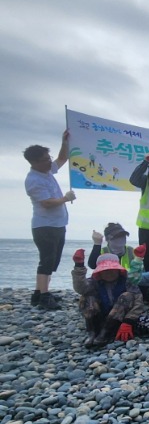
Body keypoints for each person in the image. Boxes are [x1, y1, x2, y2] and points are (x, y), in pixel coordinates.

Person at [24, 131, 75, 310]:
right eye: (45, 159)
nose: (49, 161)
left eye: (48, 157)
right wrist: (65, 198)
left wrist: (64, 142)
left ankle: (39, 293)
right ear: (35, 162)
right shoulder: (33, 180)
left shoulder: (46, 172)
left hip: (58, 224)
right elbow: (46, 203)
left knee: (53, 261)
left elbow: (62, 159)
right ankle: (44, 296)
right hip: (45, 225)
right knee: (46, 260)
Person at [71, 251, 145, 347]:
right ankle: (92, 332)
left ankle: (105, 333)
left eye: (112, 270)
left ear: (118, 270)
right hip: (99, 318)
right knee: (86, 297)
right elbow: (80, 288)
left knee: (127, 296)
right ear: (99, 272)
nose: (109, 273)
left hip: (119, 321)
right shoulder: (94, 283)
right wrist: (79, 265)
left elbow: (138, 302)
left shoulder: (127, 282)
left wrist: (128, 321)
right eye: (105, 270)